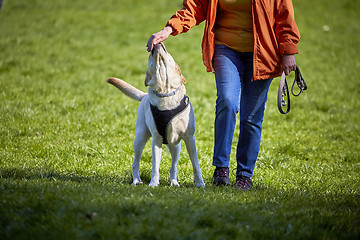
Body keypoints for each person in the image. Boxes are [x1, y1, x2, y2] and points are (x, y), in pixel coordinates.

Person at [146, 0, 300, 190]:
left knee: (252, 117)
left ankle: (244, 175)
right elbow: (196, 6)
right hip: (225, 48)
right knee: (227, 101)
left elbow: (285, 16)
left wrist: (289, 50)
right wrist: (169, 29)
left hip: (263, 54)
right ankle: (221, 168)